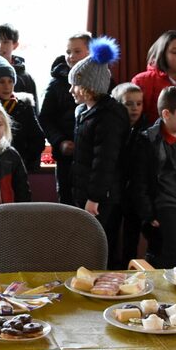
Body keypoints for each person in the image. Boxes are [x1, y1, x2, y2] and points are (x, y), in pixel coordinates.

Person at [68, 38, 130, 267]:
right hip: (90, 194)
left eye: (75, 85)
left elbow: (105, 160)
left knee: (100, 248)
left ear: (89, 87)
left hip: (101, 198)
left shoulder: (108, 117)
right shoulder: (87, 112)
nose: (71, 90)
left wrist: (94, 197)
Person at [128, 86, 176, 269]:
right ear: (167, 114)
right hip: (163, 207)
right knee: (167, 256)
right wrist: (147, 213)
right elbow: (139, 182)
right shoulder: (148, 141)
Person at [39, 32, 91, 205]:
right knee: (68, 205)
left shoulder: (102, 81)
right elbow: (45, 118)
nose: (71, 57)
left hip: (93, 158)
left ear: (90, 52)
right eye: (68, 52)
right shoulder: (56, 84)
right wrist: (60, 141)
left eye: (77, 51)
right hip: (66, 157)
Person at [112, 82, 147, 265]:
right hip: (115, 189)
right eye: (129, 104)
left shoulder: (146, 130)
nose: (135, 108)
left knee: (132, 235)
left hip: (135, 191)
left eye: (139, 103)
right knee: (111, 232)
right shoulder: (113, 129)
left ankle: (129, 267)